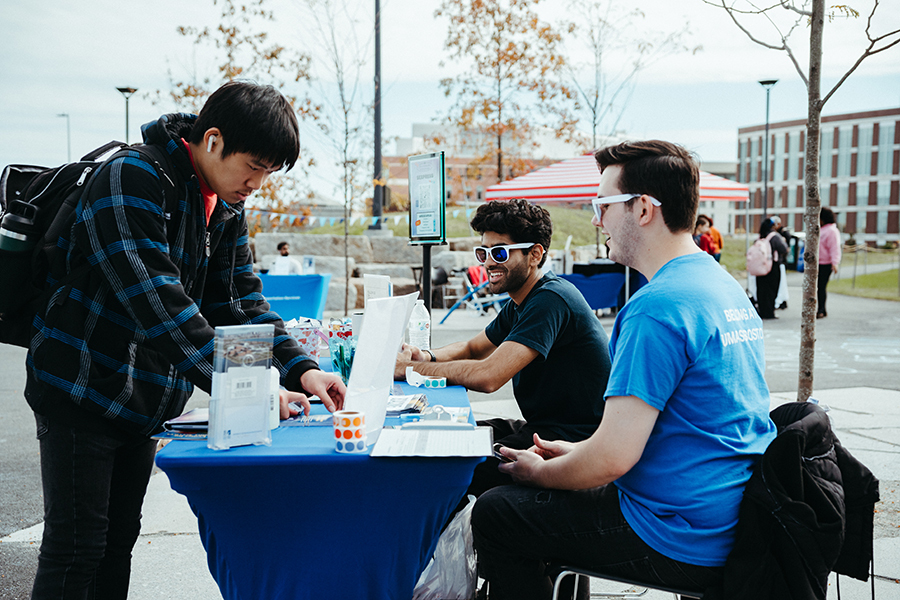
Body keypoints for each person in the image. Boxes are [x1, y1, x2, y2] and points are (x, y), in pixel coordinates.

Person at [25, 81, 347, 600]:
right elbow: (160, 303)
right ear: (213, 140)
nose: (258, 183)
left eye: (269, 172)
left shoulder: (224, 205)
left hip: (147, 399)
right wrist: (254, 386)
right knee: (77, 546)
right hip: (81, 386)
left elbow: (240, 302)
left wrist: (301, 369)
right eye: (256, 166)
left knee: (116, 544)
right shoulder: (132, 178)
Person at [471, 140, 777, 600]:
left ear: (643, 208)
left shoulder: (656, 308)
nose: (596, 220)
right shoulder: (721, 285)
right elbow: (645, 434)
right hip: (729, 512)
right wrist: (571, 454)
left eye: (603, 205)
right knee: (535, 491)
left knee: (497, 512)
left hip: (675, 532)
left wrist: (540, 472)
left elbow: (612, 461)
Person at [395, 198, 611, 500]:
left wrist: (408, 370)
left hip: (572, 441)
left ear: (535, 254)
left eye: (499, 252)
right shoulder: (522, 300)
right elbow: (473, 347)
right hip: (543, 426)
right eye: (483, 252)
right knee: (440, 437)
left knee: (445, 467)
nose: (487, 263)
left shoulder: (551, 300)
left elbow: (489, 376)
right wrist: (426, 357)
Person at [754, 217, 788, 319]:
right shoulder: (775, 236)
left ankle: (762, 310)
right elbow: (783, 249)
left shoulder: (760, 237)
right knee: (772, 289)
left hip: (760, 267)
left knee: (761, 289)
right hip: (772, 266)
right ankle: (769, 312)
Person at [817, 207, 842, 319]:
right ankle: (821, 309)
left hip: (825, 263)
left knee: (821, 287)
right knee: (818, 287)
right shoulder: (821, 230)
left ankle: (821, 310)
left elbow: (834, 248)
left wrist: (835, 262)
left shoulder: (831, 230)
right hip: (818, 263)